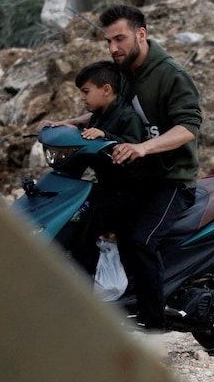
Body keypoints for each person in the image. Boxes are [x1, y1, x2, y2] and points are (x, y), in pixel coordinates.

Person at [41, 6, 203, 331]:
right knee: (86, 221)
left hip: (171, 179)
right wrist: (68, 124)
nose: (113, 48)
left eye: (120, 39)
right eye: (108, 41)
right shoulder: (125, 72)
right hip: (135, 178)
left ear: (141, 34)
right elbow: (107, 114)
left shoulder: (170, 74)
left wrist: (142, 147)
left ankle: (155, 330)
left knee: (139, 241)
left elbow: (189, 126)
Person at [54, 61, 146, 278]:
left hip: (128, 191)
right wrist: (72, 131)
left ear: (106, 89)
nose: (82, 98)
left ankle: (85, 288)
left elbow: (132, 148)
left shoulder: (127, 117)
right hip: (106, 186)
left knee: (89, 233)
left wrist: (106, 137)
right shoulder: (97, 117)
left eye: (86, 92)